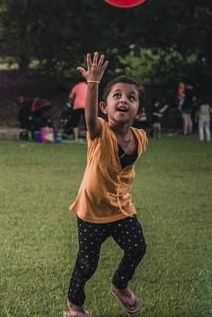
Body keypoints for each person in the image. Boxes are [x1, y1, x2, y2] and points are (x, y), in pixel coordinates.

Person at [65, 53, 148, 316]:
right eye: (117, 96)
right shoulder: (99, 133)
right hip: (91, 212)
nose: (124, 100)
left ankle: (119, 286)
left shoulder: (141, 138)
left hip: (121, 209)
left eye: (131, 97)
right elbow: (88, 119)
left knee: (137, 247)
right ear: (104, 107)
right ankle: (75, 305)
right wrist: (93, 83)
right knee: (88, 263)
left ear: (139, 110)